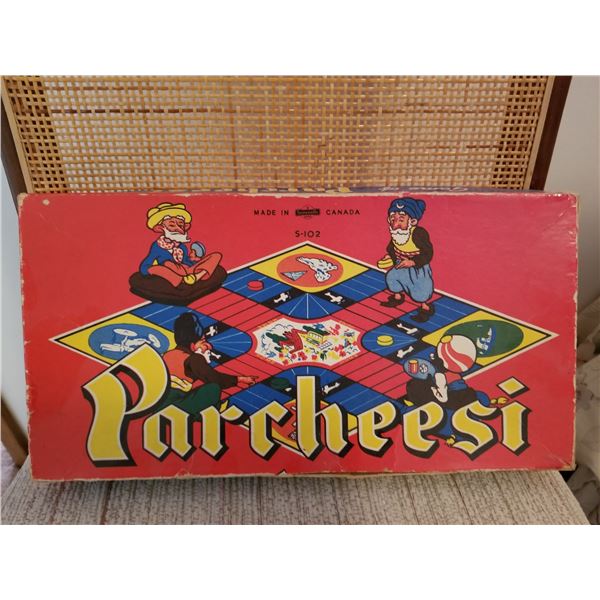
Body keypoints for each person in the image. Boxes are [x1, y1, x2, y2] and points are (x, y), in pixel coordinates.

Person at [161, 312, 256, 416]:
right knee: (213, 388)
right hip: (175, 406)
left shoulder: (167, 354)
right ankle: (209, 412)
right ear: (192, 346)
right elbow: (215, 379)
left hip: (158, 402)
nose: (209, 346)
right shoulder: (194, 358)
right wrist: (240, 379)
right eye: (203, 342)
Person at [378, 197, 435, 322]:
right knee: (392, 278)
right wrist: (391, 257)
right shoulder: (397, 233)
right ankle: (397, 297)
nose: (395, 224)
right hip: (400, 263)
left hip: (418, 267)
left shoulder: (418, 233)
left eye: (401, 220)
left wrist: (413, 262)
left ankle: (425, 308)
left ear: (412, 221)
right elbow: (391, 247)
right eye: (392, 219)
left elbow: (428, 253)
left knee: (421, 290)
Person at [140, 202, 222, 287]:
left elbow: (186, 261)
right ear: (160, 228)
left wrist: (194, 259)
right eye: (172, 225)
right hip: (173, 272)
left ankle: (197, 276)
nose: (178, 229)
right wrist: (155, 269)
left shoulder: (181, 246)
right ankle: (182, 280)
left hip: (188, 271)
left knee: (216, 255)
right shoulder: (157, 246)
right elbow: (144, 267)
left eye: (181, 225)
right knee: (167, 264)